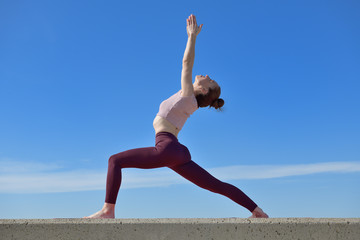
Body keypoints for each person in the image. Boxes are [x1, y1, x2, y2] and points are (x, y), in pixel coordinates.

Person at [85, 14, 268, 219]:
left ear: (204, 90)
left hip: (167, 148)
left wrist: (192, 37)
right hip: (177, 151)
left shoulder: (188, 94)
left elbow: (186, 63)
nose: (207, 75)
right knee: (215, 185)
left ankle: (108, 210)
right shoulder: (189, 100)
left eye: (210, 80)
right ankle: (257, 211)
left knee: (114, 161)